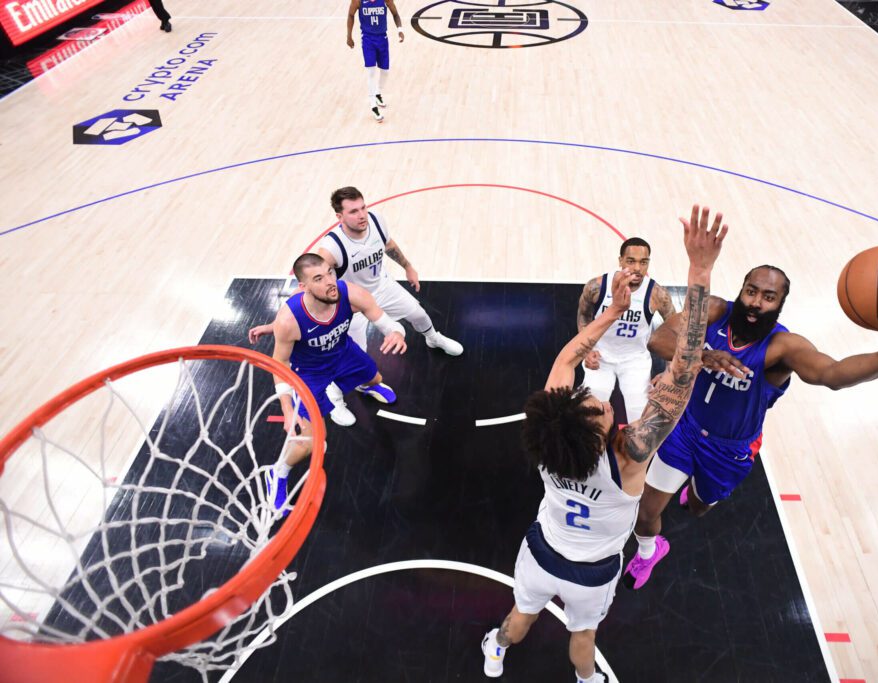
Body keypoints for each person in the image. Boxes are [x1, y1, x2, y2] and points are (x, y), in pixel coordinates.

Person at [480, 206, 728, 683]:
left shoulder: (551, 442)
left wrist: (612, 311)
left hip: (540, 553)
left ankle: (496, 645)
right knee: (584, 639)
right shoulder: (632, 457)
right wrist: (699, 271)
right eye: (600, 409)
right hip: (591, 572)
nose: (602, 403)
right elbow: (685, 363)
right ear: (604, 434)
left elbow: (566, 359)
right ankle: (588, 680)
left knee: (520, 618)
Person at [621, 263, 878, 590]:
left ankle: (696, 490)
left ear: (779, 305)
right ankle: (650, 550)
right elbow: (660, 339)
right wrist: (702, 358)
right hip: (685, 430)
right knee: (646, 512)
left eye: (768, 297)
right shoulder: (716, 311)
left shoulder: (783, 348)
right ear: (741, 289)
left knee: (697, 507)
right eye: (751, 291)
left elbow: (833, 374)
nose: (755, 303)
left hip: (728, 451)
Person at [249, 186, 462, 422]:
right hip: (350, 303)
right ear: (339, 217)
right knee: (345, 357)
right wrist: (276, 324)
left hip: (381, 288)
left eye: (363, 208)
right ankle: (337, 400)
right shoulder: (331, 248)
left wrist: (408, 266)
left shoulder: (376, 221)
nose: (361, 215)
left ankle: (433, 338)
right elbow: (309, 286)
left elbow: (389, 246)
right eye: (353, 211)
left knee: (418, 314)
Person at [264, 253, 407, 512]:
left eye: (330, 272)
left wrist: (397, 333)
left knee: (376, 377)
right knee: (312, 439)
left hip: (343, 354)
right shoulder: (288, 321)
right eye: (319, 278)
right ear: (303, 287)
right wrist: (286, 407)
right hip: (308, 374)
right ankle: (277, 473)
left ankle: (366, 385)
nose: (330, 281)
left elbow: (385, 321)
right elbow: (280, 364)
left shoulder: (349, 293)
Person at [577, 238, 677, 422]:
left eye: (643, 262)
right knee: (589, 419)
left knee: (641, 422)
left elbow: (674, 330)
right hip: (601, 357)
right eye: (631, 261)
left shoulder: (657, 294)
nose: (637, 268)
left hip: (635, 360)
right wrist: (586, 350)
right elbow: (584, 316)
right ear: (620, 261)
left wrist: (669, 370)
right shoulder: (597, 287)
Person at [347, 0, 404, 122]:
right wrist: (349, 36)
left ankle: (378, 93)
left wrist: (400, 30)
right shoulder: (358, 1)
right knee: (371, 72)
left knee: (385, 71)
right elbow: (351, 15)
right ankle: (373, 106)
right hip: (367, 39)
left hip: (382, 38)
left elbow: (395, 14)